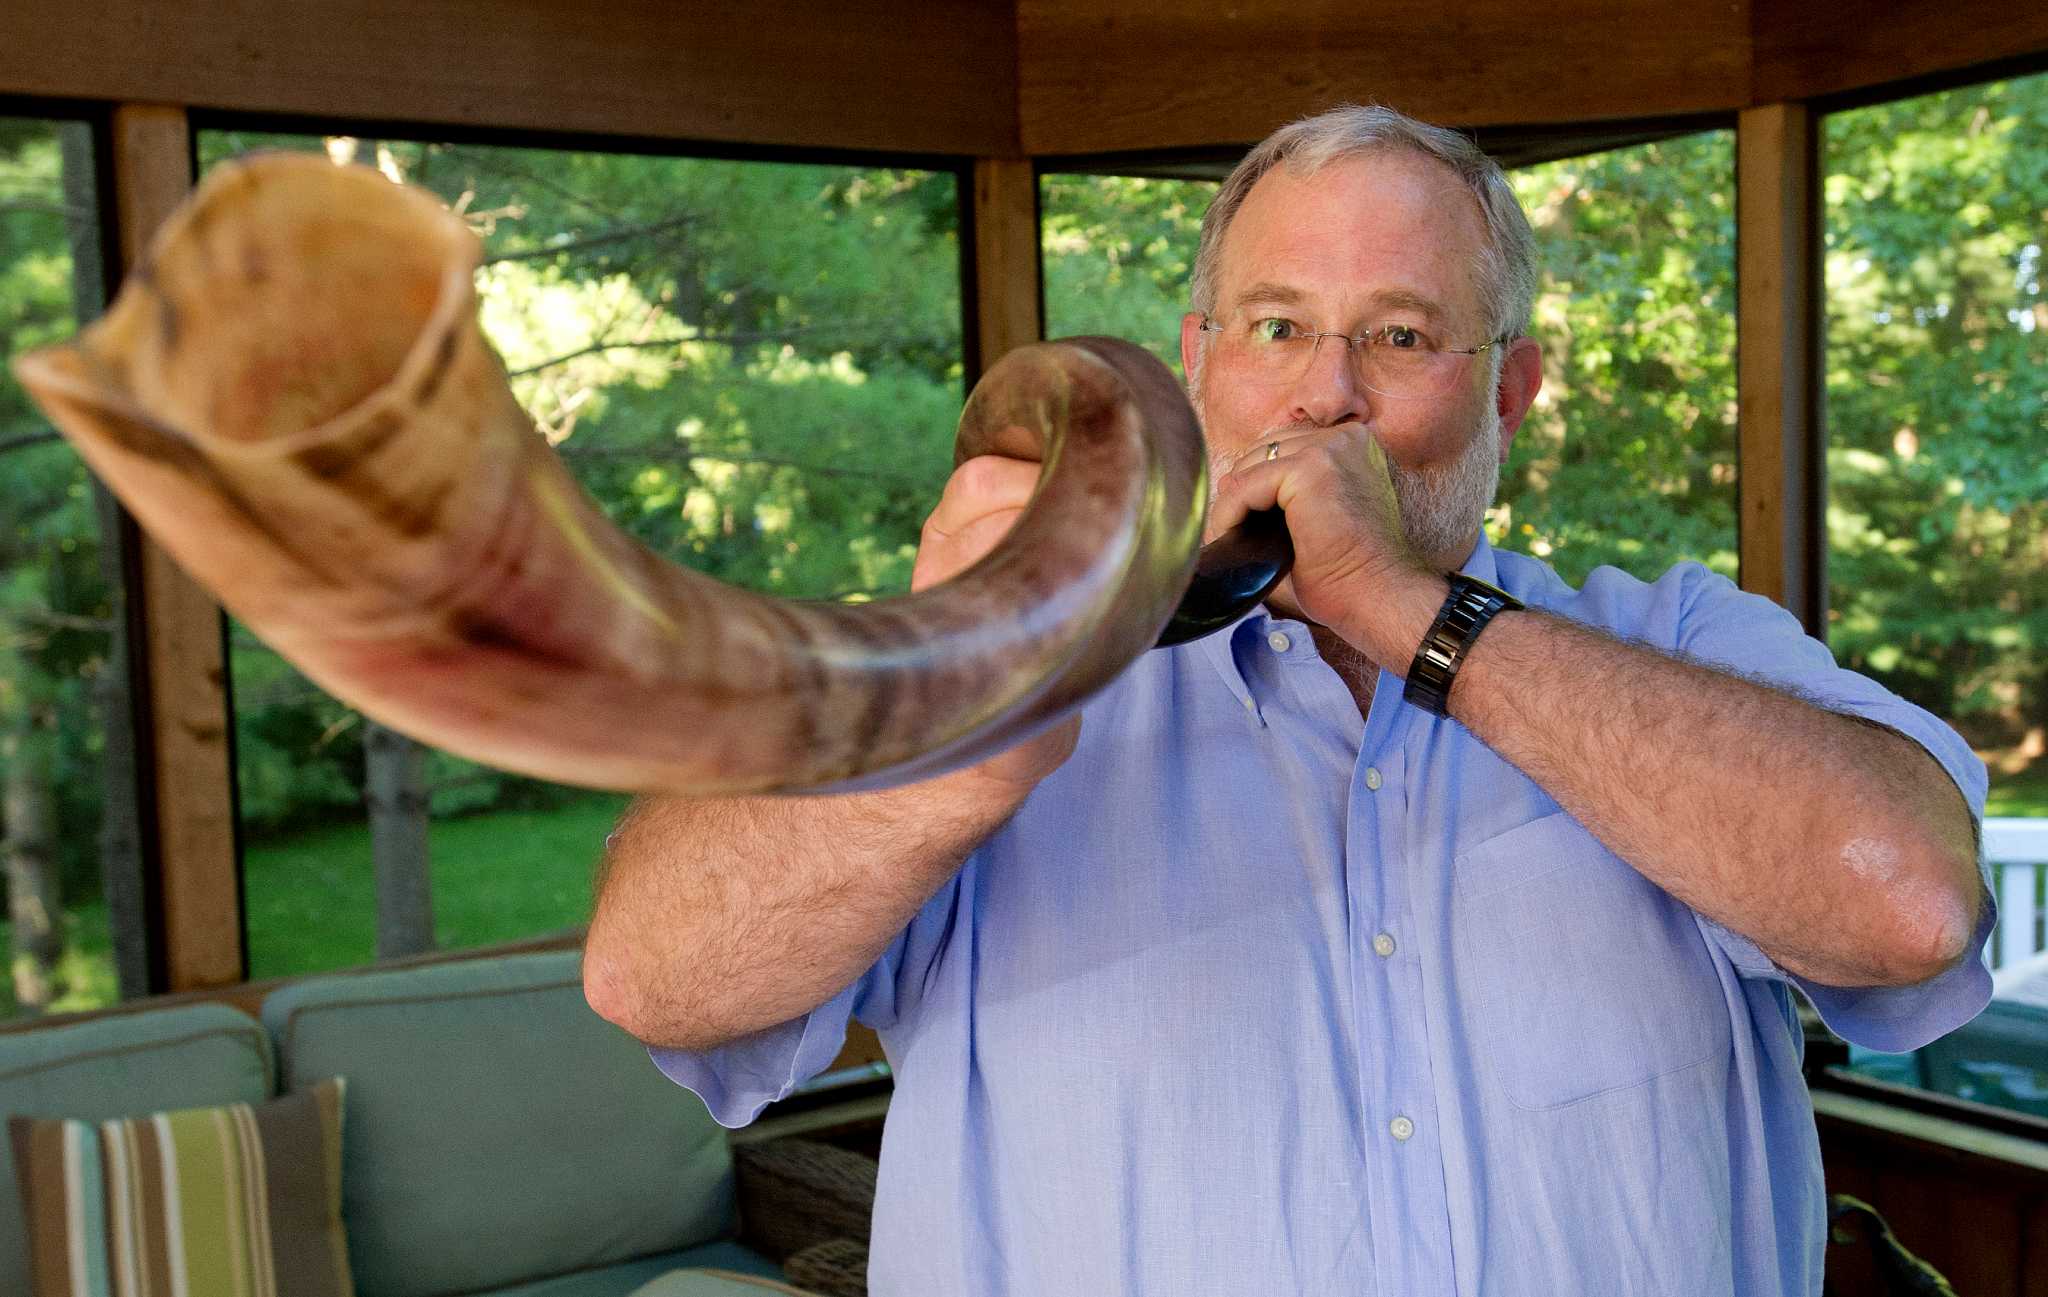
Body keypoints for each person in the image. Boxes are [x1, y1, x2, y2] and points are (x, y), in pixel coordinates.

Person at [582, 104, 1992, 1296]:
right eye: (1277, 325)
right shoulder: (997, 654)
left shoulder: (1675, 642)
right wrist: (952, 718)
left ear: (1510, 390)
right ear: (1198, 362)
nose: (1327, 395)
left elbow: (1912, 902)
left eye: (1399, 335)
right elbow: (656, 977)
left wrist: (1421, 617)